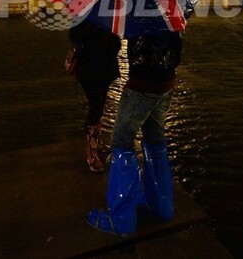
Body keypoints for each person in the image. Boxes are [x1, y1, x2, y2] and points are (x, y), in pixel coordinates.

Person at [87, 29, 183, 235]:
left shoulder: (141, 4)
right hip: (167, 80)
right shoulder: (172, 0)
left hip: (143, 82)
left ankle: (121, 219)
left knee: (121, 143)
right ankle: (162, 206)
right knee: (155, 140)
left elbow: (137, 42)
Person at [68, 21, 121, 173]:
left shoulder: (109, 14)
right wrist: (96, 26)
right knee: (95, 107)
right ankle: (91, 151)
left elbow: (115, 40)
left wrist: (113, 45)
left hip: (105, 69)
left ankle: (97, 141)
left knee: (99, 106)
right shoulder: (84, 14)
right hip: (89, 70)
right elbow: (74, 36)